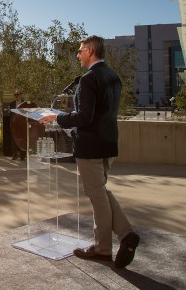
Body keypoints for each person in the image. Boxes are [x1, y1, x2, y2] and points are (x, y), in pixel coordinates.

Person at [39, 35, 140, 269]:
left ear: (91, 51)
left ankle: (103, 249)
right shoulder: (113, 76)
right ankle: (126, 234)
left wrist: (57, 117)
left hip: (91, 147)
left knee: (97, 198)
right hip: (108, 144)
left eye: (80, 50)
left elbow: (84, 117)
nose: (78, 54)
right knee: (101, 191)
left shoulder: (89, 79)